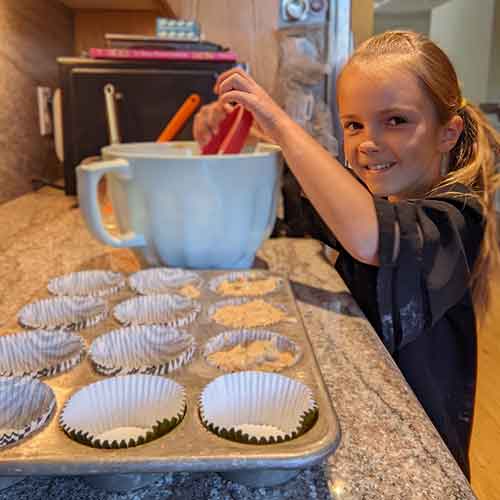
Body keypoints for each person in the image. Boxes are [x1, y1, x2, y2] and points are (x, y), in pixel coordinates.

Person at [193, 30, 500, 479]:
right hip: (367, 417)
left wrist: (279, 122)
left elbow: (370, 237)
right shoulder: (377, 200)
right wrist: (252, 134)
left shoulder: (457, 220)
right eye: (354, 124)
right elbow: (314, 202)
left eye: (395, 120)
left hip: (419, 457)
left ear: (447, 133)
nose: (367, 142)